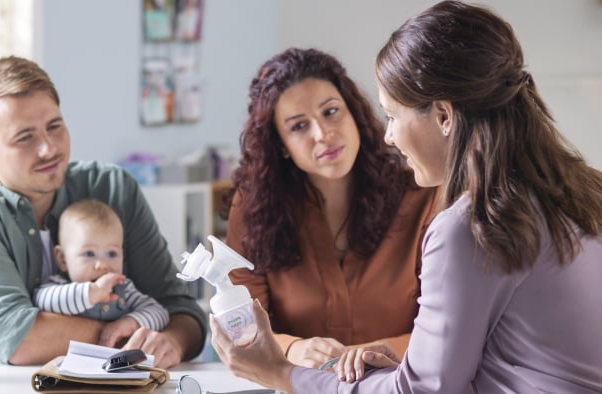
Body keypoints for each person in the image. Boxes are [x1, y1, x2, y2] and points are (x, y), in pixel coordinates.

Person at [211, 1, 602, 393]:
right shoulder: (586, 190)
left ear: (445, 116)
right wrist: (400, 360)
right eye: (298, 126)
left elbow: (421, 391)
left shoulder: (472, 226)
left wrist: (285, 375)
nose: (389, 136)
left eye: (394, 116)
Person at [0, 56, 206, 368]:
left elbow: (182, 312)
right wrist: (123, 338)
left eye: (54, 126)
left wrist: (171, 342)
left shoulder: (112, 189)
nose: (49, 149)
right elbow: (18, 338)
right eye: (25, 137)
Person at [222, 47, 441, 369]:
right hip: (298, 386)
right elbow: (241, 326)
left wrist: (364, 356)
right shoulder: (253, 207)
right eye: (298, 126)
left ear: (353, 112)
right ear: (280, 145)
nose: (323, 134)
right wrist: (293, 349)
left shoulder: (422, 195)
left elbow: (448, 328)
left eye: (331, 111)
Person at [34, 198, 170, 346]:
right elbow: (41, 300)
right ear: (63, 259)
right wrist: (90, 293)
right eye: (89, 254)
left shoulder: (122, 289)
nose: (102, 265)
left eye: (112, 254)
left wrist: (132, 322)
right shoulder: (57, 286)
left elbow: (160, 313)